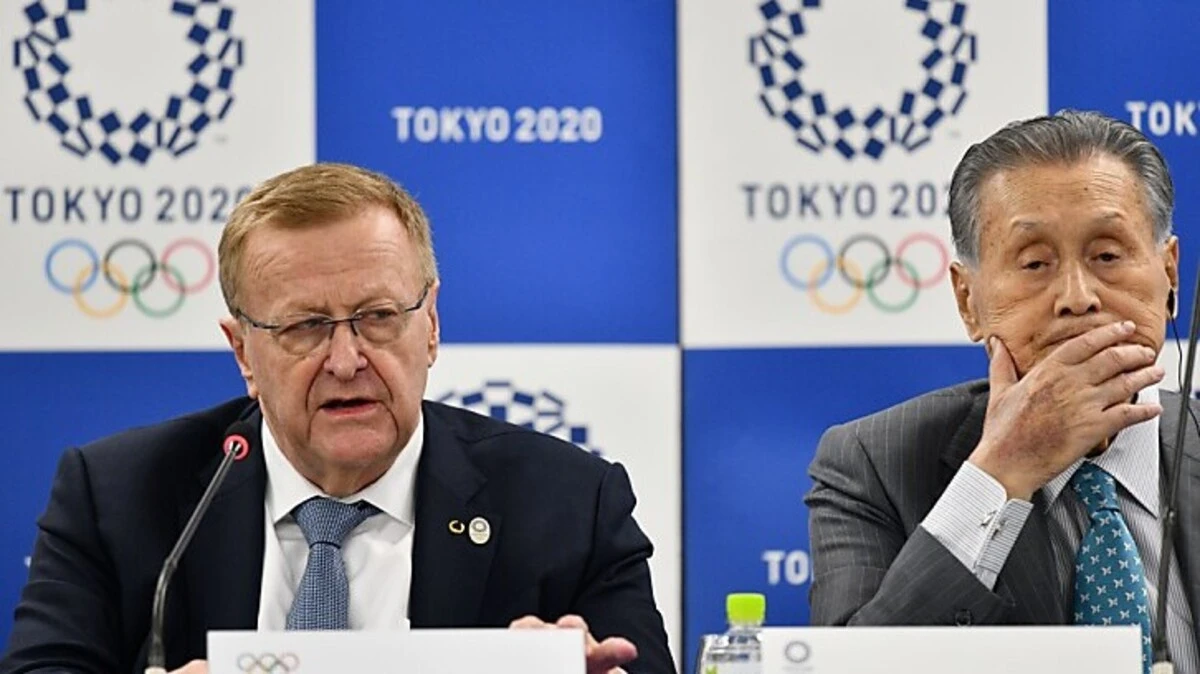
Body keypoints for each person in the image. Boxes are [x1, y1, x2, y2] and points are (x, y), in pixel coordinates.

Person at [0, 163, 673, 674]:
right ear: (243, 352)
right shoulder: (116, 497)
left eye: (378, 317)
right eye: (305, 326)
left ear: (431, 326)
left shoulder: (568, 505)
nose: (347, 360)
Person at [805, 110, 1200, 673]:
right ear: (968, 301)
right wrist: (1001, 471)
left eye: (1107, 256)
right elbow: (849, 669)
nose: (1077, 297)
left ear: (1170, 275)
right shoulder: (872, 466)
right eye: (1035, 263)